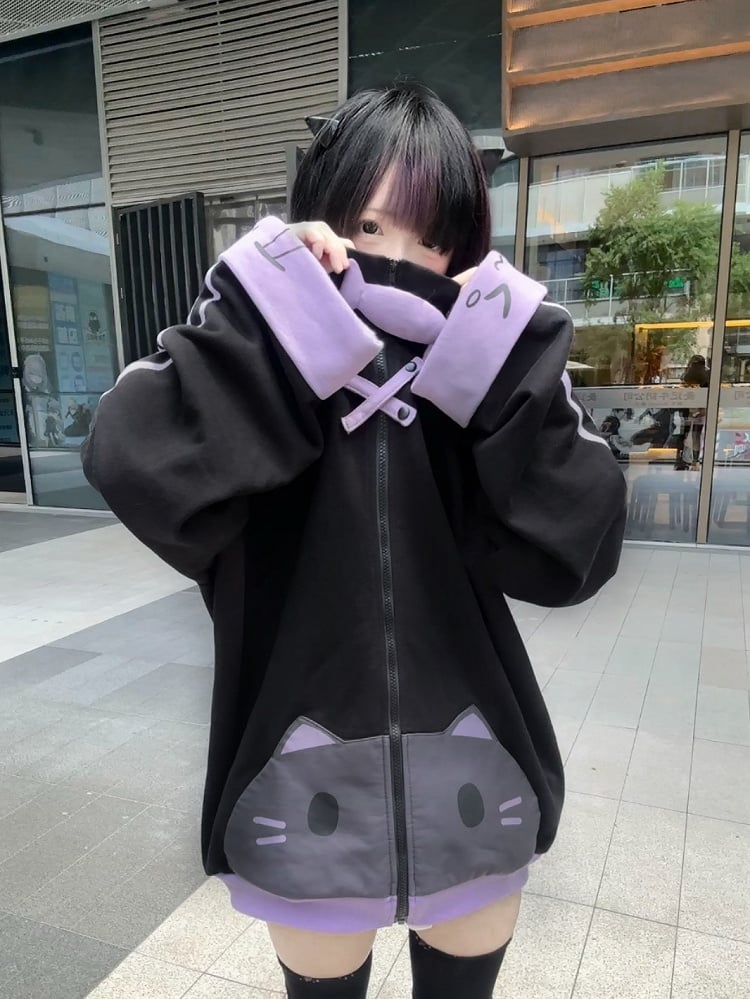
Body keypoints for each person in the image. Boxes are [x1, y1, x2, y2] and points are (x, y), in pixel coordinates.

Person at [81, 86, 627, 999]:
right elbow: (132, 459)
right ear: (321, 220)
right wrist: (265, 316)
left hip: (475, 779)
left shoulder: (479, 379)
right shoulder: (261, 358)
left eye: (432, 240)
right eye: (369, 227)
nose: (397, 263)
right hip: (298, 787)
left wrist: (503, 369)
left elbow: (580, 546)